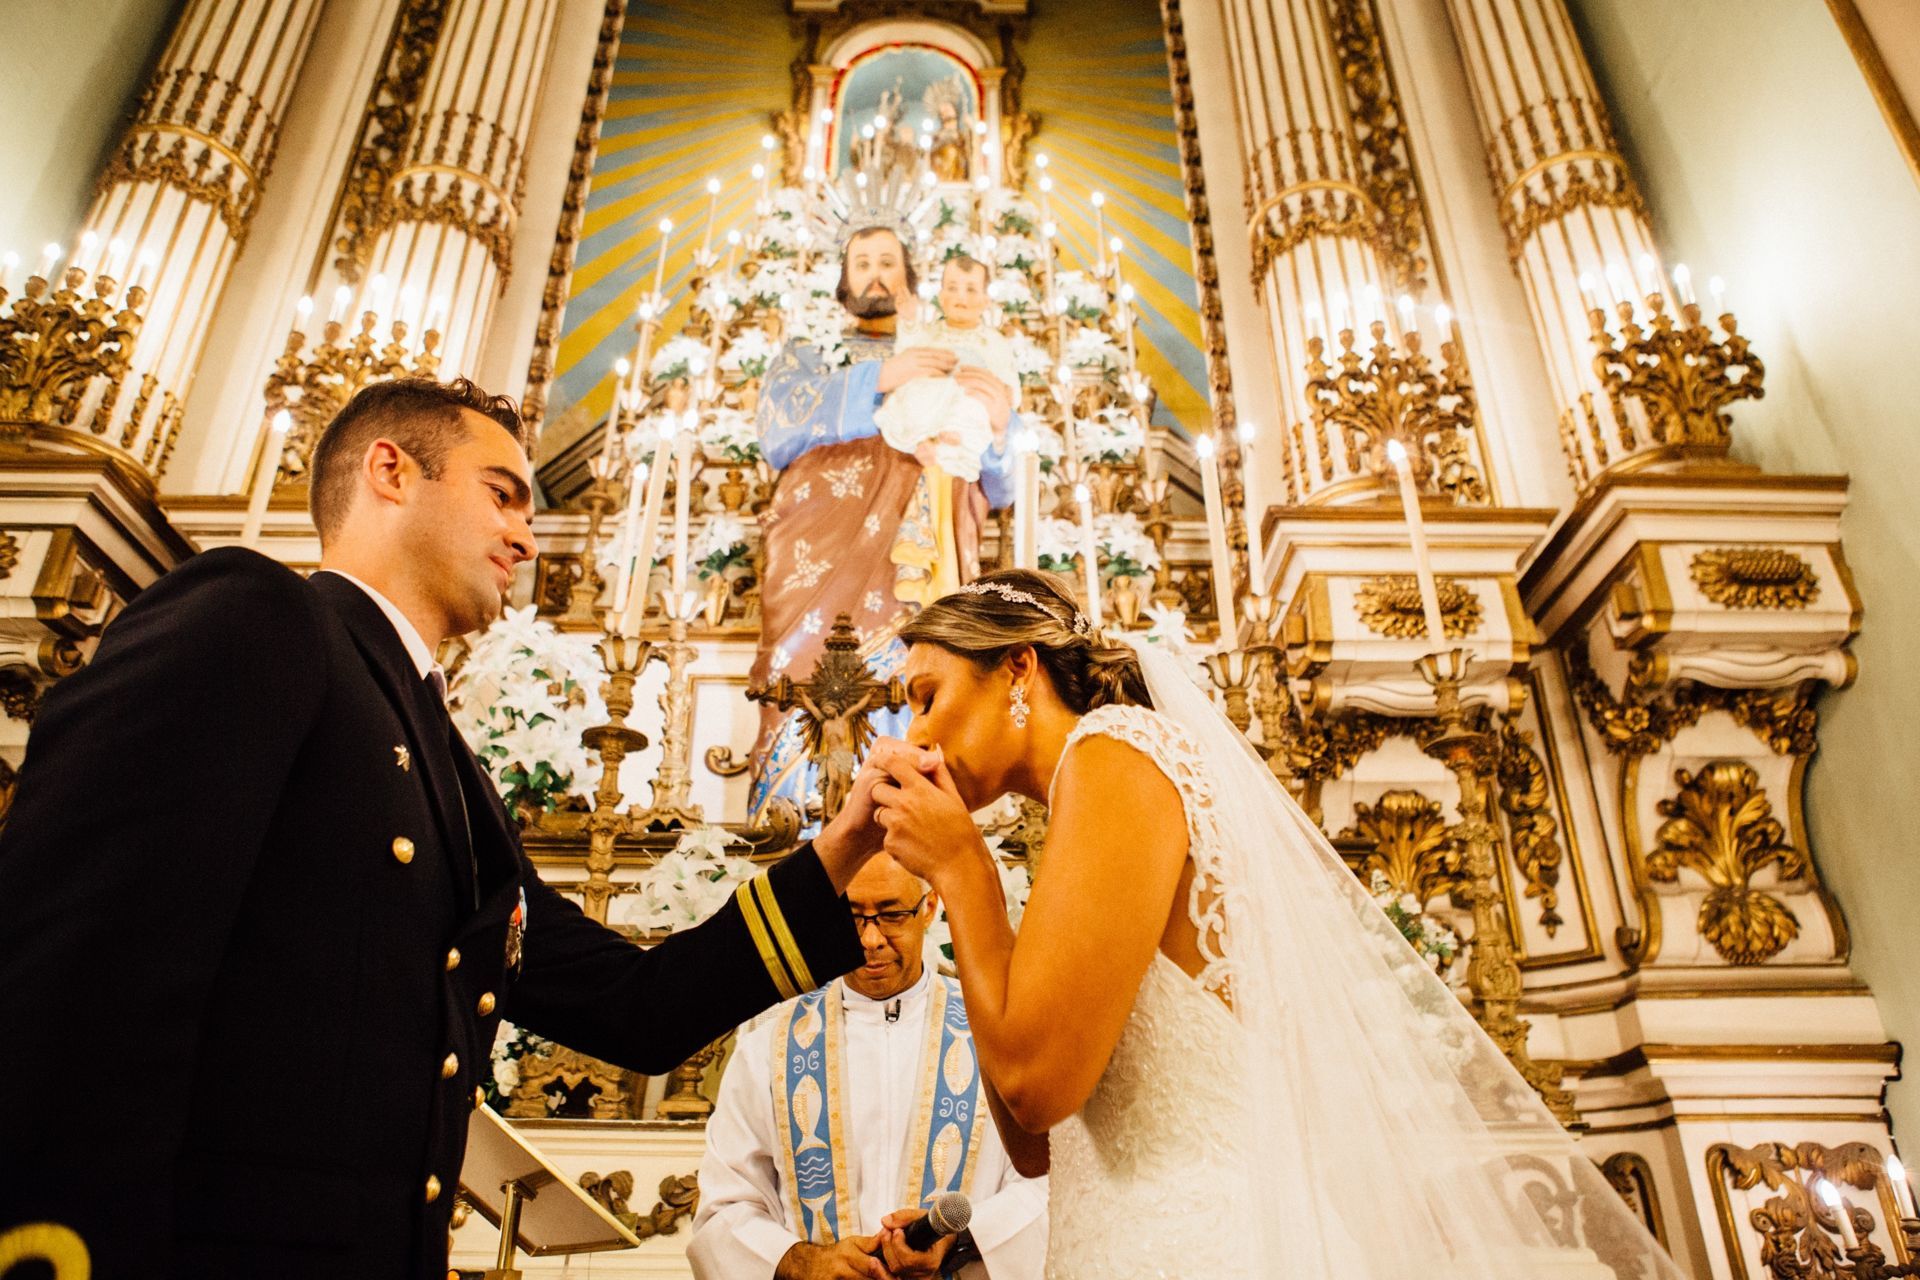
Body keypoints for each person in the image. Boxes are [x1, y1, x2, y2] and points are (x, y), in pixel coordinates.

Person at [0, 378, 882, 1280]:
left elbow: (636, 1007)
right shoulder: (256, 616)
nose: (526, 539)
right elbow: (73, 975)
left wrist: (842, 850)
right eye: (501, 494)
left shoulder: (452, 774)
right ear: (390, 472)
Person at [856, 569, 1691, 1279]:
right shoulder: (1083, 795)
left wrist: (964, 871)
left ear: (1018, 668)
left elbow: (1037, 1091)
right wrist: (967, 887)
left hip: (1198, 1246)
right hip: (1116, 1241)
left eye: (927, 697)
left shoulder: (1116, 756)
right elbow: (1036, 1138)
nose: (916, 733)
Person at [750, 224, 1021, 826]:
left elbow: (1003, 484)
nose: (875, 274)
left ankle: (914, 818)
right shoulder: (815, 349)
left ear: (910, 277)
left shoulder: (955, 346)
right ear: (843, 280)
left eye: (888, 262)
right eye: (863, 262)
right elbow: (775, 427)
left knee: (919, 667)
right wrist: (877, 379)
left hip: (919, 540)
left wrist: (1002, 425)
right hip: (818, 546)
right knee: (803, 676)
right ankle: (792, 821)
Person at [688, 853, 1046, 1280]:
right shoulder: (769, 1047)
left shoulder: (993, 1033)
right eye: (852, 916)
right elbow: (724, 1207)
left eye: (892, 915)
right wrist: (804, 1260)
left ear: (929, 907)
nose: (871, 938)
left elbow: (1046, 1185)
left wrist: (962, 1239)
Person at [873, 255, 1017, 485]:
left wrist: (1006, 393)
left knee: (977, 405)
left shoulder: (993, 342)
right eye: (952, 288)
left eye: (971, 290)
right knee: (911, 393)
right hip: (932, 398)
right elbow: (906, 354)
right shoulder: (931, 333)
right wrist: (909, 322)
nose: (961, 297)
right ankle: (922, 439)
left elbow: (1007, 385)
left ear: (985, 300)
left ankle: (952, 443)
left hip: (968, 397)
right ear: (940, 296)